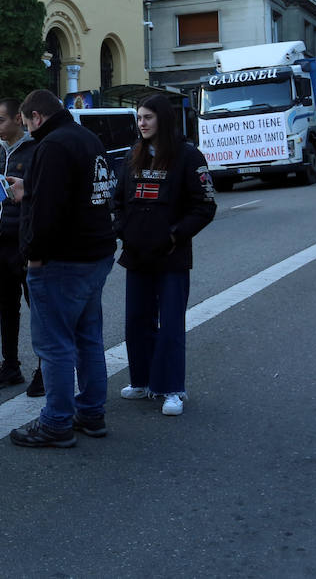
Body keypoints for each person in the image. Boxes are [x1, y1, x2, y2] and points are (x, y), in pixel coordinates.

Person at [9, 88, 116, 449]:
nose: (27, 132)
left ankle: (56, 422)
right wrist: (30, 187)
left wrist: (34, 255)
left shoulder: (51, 146)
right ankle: (91, 412)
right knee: (88, 339)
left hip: (62, 260)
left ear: (36, 117)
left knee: (54, 345)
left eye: (27, 124)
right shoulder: (86, 138)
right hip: (96, 253)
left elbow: (49, 211)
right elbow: (79, 191)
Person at [114, 95, 217, 416]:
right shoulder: (134, 155)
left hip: (171, 257)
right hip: (137, 255)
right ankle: (142, 381)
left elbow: (205, 205)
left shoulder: (188, 155)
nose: (141, 123)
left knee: (170, 324)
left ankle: (172, 389)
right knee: (137, 321)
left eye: (147, 117)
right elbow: (117, 200)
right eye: (139, 118)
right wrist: (122, 229)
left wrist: (174, 234)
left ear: (163, 119)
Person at [0, 98, 42, 395]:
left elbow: (43, 196)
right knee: (6, 306)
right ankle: (10, 365)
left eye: (0, 121)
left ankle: (45, 368)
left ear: (19, 119)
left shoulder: (36, 151)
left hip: (23, 243)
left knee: (38, 308)